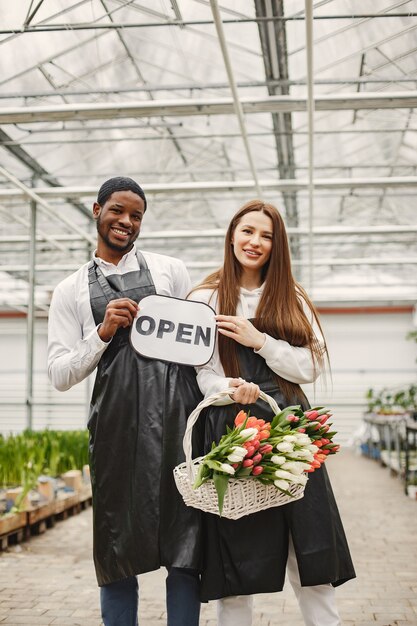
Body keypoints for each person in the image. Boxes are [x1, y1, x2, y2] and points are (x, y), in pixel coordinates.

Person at [188, 199, 356, 626]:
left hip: (290, 428)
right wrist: (231, 389)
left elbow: (311, 365)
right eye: (247, 231)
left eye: (266, 235)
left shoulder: (291, 296)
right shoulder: (204, 297)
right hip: (233, 429)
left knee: (309, 546)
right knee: (236, 554)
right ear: (231, 235)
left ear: (277, 245)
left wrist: (259, 340)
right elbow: (203, 375)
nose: (255, 242)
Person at [47, 176, 203, 626]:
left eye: (136, 215)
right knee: (117, 540)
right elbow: (60, 374)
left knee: (185, 538)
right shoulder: (71, 290)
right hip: (116, 427)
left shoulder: (170, 271)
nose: (126, 222)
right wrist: (102, 332)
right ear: (96, 210)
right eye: (118, 210)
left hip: (176, 418)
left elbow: (198, 346)